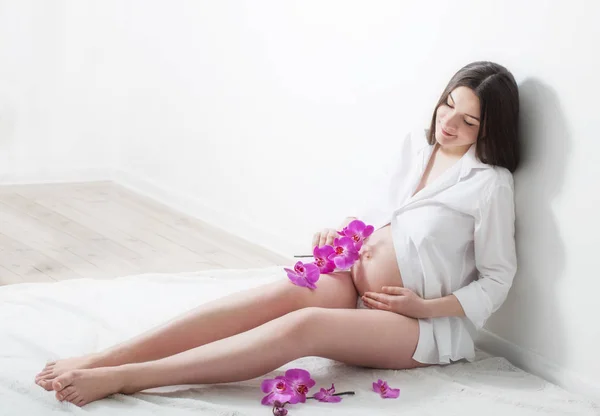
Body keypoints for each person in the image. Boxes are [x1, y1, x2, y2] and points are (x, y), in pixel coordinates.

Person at [34, 60, 520, 407]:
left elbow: (497, 280)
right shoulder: (419, 148)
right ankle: (109, 354)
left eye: (468, 119)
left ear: (489, 128)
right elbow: (383, 215)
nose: (448, 122)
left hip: (417, 326)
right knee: (278, 294)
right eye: (447, 105)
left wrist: (424, 307)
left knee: (302, 328)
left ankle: (129, 377)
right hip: (355, 283)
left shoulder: (490, 185)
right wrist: (341, 237)